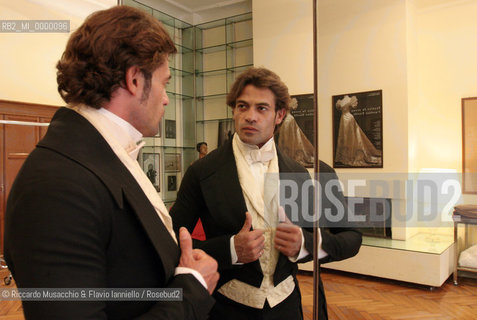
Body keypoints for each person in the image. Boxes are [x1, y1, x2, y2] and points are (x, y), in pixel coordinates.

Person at [4, 6, 218, 319]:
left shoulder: (102, 154)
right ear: (134, 79)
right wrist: (192, 290)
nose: (166, 98)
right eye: (165, 83)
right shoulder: (57, 186)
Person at [170, 67, 362, 319]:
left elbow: (351, 238)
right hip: (225, 308)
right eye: (242, 106)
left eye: (261, 108)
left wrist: (305, 244)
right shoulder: (201, 171)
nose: (250, 116)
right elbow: (170, 241)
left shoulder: (304, 173)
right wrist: (229, 249)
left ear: (279, 115)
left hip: (287, 308)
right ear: (233, 111)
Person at [334, 95, 382, 166]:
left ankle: (351, 156)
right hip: (343, 120)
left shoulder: (351, 99)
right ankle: (343, 157)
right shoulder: (339, 101)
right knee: (343, 138)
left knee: (351, 137)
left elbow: (353, 106)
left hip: (349, 119)